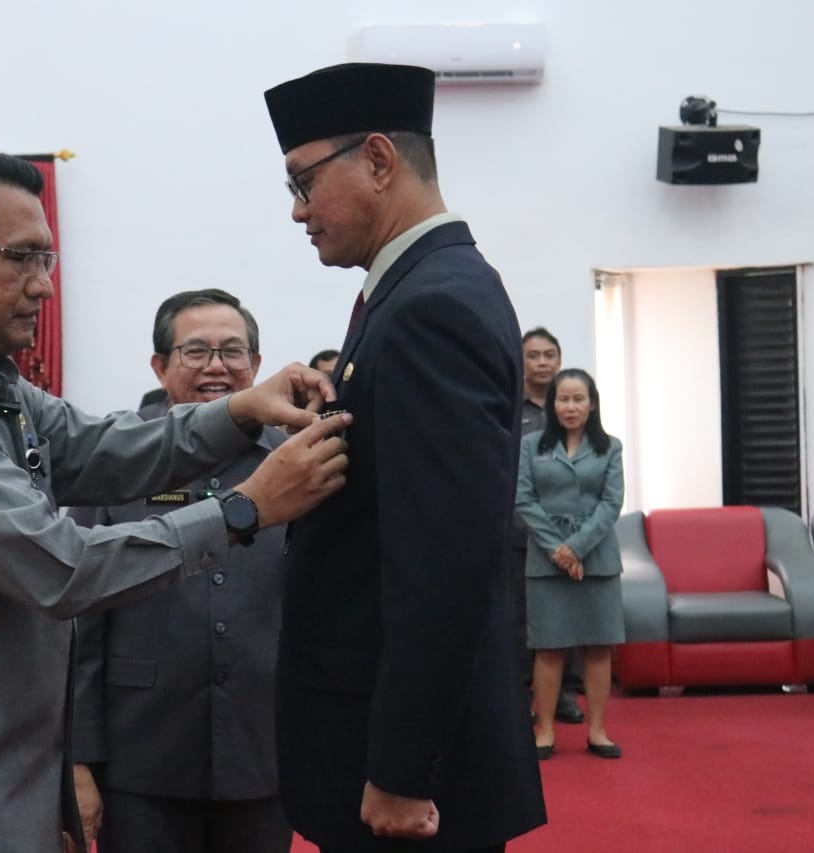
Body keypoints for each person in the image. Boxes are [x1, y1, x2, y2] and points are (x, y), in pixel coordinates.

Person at [0, 148, 351, 852]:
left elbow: (103, 447)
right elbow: (61, 566)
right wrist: (242, 510)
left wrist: (242, 412)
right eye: (22, 258)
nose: (42, 285)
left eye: (48, 260)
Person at [263, 63, 546, 851]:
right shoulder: (419, 289)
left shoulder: (432, 306)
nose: (297, 211)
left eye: (303, 181)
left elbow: (445, 565)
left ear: (380, 160)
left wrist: (402, 768)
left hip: (395, 773)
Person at [70, 288, 293, 853]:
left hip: (264, 752)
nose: (216, 367)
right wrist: (78, 759)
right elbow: (79, 627)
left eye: (233, 352)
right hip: (142, 756)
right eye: (196, 352)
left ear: (257, 366)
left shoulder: (295, 461)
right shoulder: (116, 462)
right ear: (160, 366)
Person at [515, 368, 625, 761]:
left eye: (579, 399)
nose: (571, 406)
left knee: (598, 648)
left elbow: (611, 504)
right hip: (546, 559)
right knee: (548, 648)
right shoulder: (530, 445)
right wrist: (558, 549)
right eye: (563, 399)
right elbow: (523, 501)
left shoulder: (610, 447)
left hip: (597, 558)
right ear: (552, 404)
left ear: (591, 404)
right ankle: (544, 730)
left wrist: (576, 548)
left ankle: (597, 731)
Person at [511, 327, 585, 724]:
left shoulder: (572, 407)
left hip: (568, 531)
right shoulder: (508, 407)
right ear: (521, 361)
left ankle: (565, 695)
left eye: (549, 354)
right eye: (534, 355)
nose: (542, 362)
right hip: (520, 530)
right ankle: (522, 693)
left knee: (565, 615)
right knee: (521, 617)